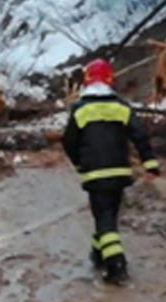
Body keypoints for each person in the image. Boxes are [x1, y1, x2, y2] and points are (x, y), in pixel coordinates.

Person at [61, 58, 159, 284]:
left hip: (95, 175)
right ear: (109, 80)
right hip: (119, 173)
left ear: (87, 82)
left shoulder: (80, 109)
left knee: (103, 217)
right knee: (109, 217)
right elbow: (139, 135)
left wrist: (79, 163)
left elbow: (69, 142)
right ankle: (98, 254)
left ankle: (117, 264)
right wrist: (150, 163)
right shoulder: (121, 107)